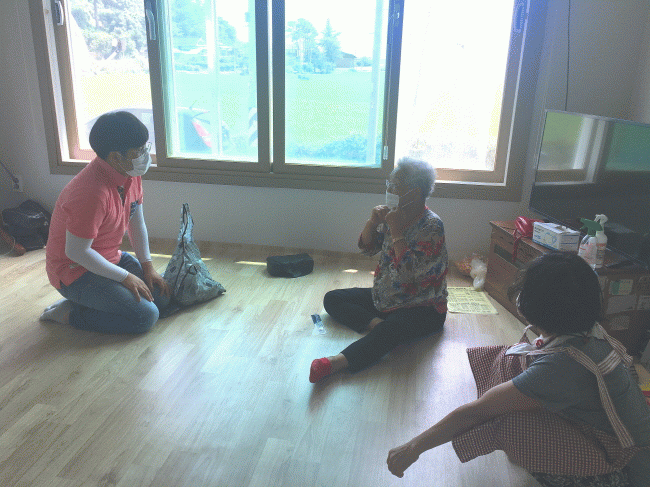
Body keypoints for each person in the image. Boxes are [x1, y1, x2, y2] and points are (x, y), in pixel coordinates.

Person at [387, 253, 650, 487]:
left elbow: (476, 413)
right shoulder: (587, 330)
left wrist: (413, 447)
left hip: (625, 470)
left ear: (537, 307)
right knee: (510, 359)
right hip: (623, 441)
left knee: (509, 421)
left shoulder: (562, 367)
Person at [309, 157, 448, 383]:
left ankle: (335, 362)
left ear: (415, 192)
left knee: (395, 328)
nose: (389, 190)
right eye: (388, 184)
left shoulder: (431, 225)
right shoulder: (394, 215)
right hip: (388, 297)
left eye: (395, 186)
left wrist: (396, 230)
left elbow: (408, 275)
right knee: (333, 299)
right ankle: (377, 325)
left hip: (423, 307)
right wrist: (372, 223)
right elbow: (368, 248)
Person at [40, 111, 170, 334]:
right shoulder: (91, 193)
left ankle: (95, 301)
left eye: (145, 147)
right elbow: (77, 252)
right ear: (115, 157)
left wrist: (147, 266)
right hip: (76, 272)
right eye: (138, 151)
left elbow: (136, 222)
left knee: (162, 297)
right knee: (145, 316)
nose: (145, 155)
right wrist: (125, 277)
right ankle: (70, 313)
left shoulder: (130, 173)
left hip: (109, 259)